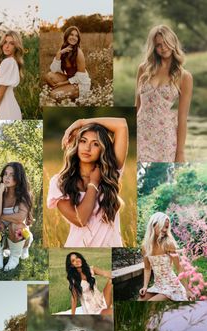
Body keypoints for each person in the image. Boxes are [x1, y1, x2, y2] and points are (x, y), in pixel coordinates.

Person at [47, 117, 128, 247]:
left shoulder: (111, 172)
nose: (87, 148)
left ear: (103, 149)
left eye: (95, 144)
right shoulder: (59, 182)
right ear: (77, 144)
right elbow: (80, 220)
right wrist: (93, 184)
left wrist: (80, 122)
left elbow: (121, 125)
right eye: (83, 141)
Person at [136, 25, 193, 163]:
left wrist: (180, 153)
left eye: (166, 42)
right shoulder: (143, 69)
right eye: (158, 45)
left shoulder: (184, 76)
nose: (164, 47)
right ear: (154, 48)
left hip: (165, 138)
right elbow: (137, 106)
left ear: (173, 41)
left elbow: (182, 118)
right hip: (140, 134)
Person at [0, 162, 33, 271]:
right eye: (5, 174)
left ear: (18, 177)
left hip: (16, 235)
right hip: (0, 235)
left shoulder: (25, 195)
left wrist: (0, 216)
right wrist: (0, 191)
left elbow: (20, 217)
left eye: (12, 175)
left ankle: (14, 258)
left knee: (16, 225)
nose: (7, 177)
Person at [138, 212, 193, 301]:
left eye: (166, 227)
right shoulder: (145, 246)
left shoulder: (168, 243)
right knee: (140, 300)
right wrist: (145, 287)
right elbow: (147, 268)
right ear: (153, 225)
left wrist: (187, 290)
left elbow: (179, 268)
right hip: (158, 286)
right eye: (162, 226)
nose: (164, 229)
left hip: (172, 287)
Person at [44, 26, 91, 101]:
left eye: (76, 36)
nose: (74, 37)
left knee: (53, 95)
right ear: (67, 36)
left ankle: (68, 93)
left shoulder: (79, 53)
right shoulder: (63, 49)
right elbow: (54, 70)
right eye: (71, 35)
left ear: (78, 39)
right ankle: (64, 91)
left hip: (80, 83)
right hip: (70, 79)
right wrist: (59, 54)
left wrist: (62, 84)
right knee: (48, 76)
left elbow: (81, 77)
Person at [0, 30, 24, 120]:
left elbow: (0, 93)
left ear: (16, 47)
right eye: (5, 42)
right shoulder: (10, 62)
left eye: (11, 43)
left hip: (6, 109)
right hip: (6, 107)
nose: (7, 46)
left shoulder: (8, 62)